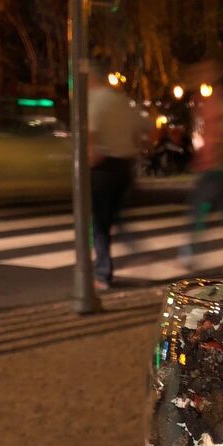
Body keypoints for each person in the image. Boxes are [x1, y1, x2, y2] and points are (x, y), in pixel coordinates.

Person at [184, 61, 223, 272]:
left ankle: (190, 254)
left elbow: (220, 137)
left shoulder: (215, 102)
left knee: (198, 212)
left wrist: (219, 161)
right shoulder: (213, 100)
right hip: (219, 168)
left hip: (215, 168)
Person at [87, 68, 145, 290]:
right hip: (124, 166)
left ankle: (103, 273)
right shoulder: (121, 100)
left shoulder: (95, 100)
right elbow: (145, 127)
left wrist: (91, 155)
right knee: (115, 217)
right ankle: (135, 250)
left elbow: (91, 132)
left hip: (103, 166)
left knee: (100, 223)